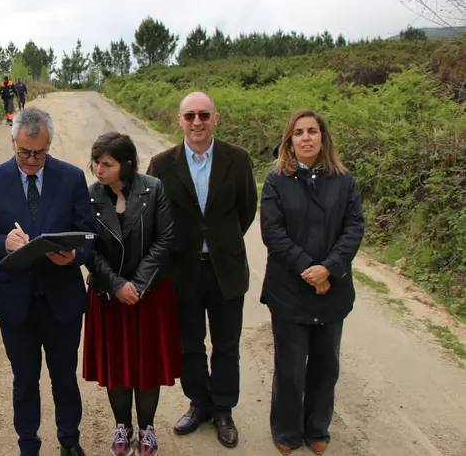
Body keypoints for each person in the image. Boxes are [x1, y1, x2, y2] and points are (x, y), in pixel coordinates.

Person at [0, 107, 92, 456]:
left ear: (49, 144)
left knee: (65, 378)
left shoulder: (71, 178)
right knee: (24, 381)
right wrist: (4, 243)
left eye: (39, 153)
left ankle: (69, 441)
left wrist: (74, 255)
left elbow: (89, 234)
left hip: (62, 300)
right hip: (16, 303)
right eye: (24, 152)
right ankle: (28, 445)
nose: (31, 160)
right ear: (13, 142)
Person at [146, 91, 257, 449]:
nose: (197, 122)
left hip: (225, 269)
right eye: (190, 115)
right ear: (180, 120)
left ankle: (223, 409)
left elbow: (246, 210)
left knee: (226, 346)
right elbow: (152, 217)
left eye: (204, 115)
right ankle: (199, 403)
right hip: (182, 271)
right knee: (188, 345)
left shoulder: (237, 159)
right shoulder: (162, 164)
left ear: (215, 119)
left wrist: (221, 242)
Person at [259, 109, 365, 456]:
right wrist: (309, 269)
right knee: (290, 367)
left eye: (312, 131)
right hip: (289, 288)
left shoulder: (344, 181)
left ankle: (317, 428)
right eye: (298, 132)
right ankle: (287, 431)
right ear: (289, 141)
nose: (306, 138)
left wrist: (329, 269)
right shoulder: (276, 180)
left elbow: (354, 228)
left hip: (332, 288)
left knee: (325, 365)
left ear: (323, 138)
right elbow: (272, 231)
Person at [82, 132, 180, 456]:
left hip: (149, 294)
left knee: (147, 365)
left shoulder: (153, 189)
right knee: (117, 366)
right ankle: (122, 427)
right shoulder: (91, 196)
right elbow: (89, 249)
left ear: (125, 164)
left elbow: (164, 239)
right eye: (96, 163)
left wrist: (136, 285)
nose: (98, 170)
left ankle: (147, 428)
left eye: (106, 164)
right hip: (109, 296)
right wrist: (116, 285)